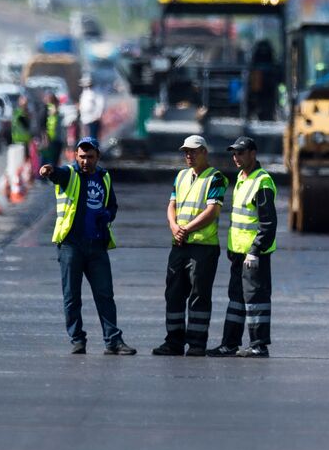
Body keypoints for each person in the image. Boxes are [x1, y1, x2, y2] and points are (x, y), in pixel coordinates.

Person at [39, 138, 136, 356]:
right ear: (75, 156)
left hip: (97, 246)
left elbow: (112, 205)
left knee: (105, 295)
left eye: (89, 157)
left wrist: (108, 215)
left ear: (97, 157)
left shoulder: (104, 177)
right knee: (72, 296)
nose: (85, 161)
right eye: (81, 157)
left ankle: (113, 341)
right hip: (71, 245)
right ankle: (77, 339)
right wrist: (48, 170)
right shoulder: (69, 174)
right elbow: (57, 174)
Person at [153, 135, 227, 357]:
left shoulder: (216, 178)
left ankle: (196, 343)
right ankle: (174, 341)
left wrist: (186, 229)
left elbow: (212, 211)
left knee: (198, 295)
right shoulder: (181, 176)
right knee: (173, 294)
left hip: (203, 247)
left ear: (204, 152)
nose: (188, 155)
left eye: (193, 151)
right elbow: (171, 205)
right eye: (186, 151)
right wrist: (174, 225)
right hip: (179, 244)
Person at [209, 137, 277, 358]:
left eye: (240, 153)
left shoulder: (262, 182)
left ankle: (259, 345)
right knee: (236, 299)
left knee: (255, 300)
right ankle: (229, 344)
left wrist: (255, 250)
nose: (236, 158)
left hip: (253, 256)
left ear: (253, 154)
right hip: (239, 254)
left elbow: (268, 223)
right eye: (234, 153)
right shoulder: (241, 178)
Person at [78, 77, 105, 143]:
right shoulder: (84, 93)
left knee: (93, 137)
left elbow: (100, 104)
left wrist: (98, 115)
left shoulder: (96, 92)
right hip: (85, 119)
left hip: (93, 118)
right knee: (85, 137)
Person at [42, 91, 63, 167]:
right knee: (50, 160)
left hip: (58, 139)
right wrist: (45, 137)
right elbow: (44, 125)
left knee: (55, 160)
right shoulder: (46, 109)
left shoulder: (59, 111)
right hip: (50, 138)